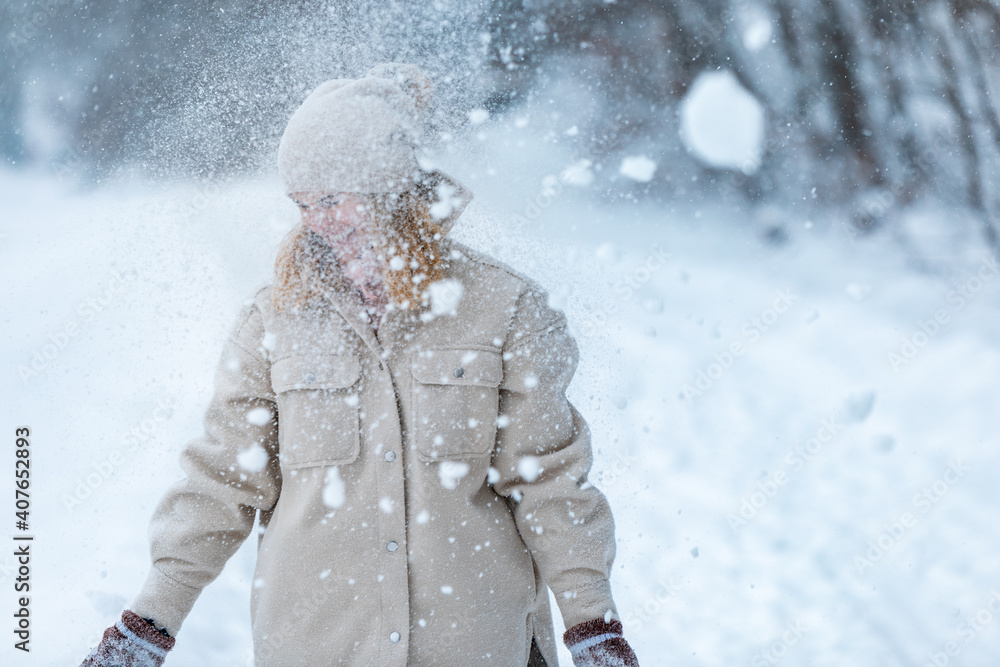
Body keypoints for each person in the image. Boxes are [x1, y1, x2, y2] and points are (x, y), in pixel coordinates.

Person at [80, 63, 639, 667]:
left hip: (473, 644)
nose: (317, 224)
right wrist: (149, 622)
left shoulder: (505, 310)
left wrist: (592, 625)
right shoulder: (272, 321)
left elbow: (549, 480)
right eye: (302, 205)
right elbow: (223, 479)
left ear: (387, 188)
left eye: (331, 200)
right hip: (317, 645)